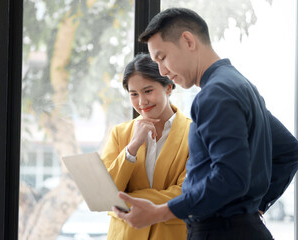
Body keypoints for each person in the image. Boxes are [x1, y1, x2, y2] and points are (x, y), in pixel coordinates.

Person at [112, 7, 298, 240]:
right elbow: (289, 149)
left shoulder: (214, 94)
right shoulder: (240, 85)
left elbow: (230, 177)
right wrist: (253, 208)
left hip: (221, 232)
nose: (162, 70)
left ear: (188, 41)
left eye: (162, 57)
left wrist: (161, 212)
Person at [101, 53, 191, 239]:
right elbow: (105, 195)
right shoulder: (120, 134)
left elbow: (187, 193)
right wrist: (132, 147)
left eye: (148, 91)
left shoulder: (194, 133)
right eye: (134, 94)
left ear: (168, 87)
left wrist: (128, 196)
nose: (142, 102)